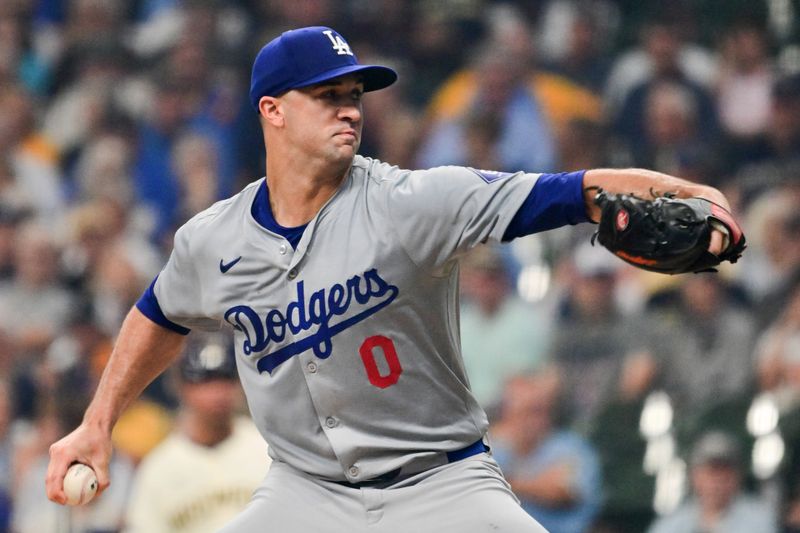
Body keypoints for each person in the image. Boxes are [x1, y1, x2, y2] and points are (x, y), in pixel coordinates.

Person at [46, 26, 737, 532]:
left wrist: (693, 193)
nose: (350, 107)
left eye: (355, 94)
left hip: (442, 483)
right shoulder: (212, 240)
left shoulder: (413, 202)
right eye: (327, 95)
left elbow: (574, 189)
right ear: (272, 110)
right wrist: (97, 422)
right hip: (305, 493)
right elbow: (158, 315)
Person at [125, 337, 271, 533]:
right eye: (205, 381)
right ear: (181, 387)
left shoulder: (267, 449)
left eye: (225, 379)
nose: (217, 393)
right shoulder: (159, 467)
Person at [491, 372, 602, 533]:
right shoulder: (493, 448)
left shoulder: (570, 448)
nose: (531, 421)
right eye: (522, 411)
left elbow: (560, 492)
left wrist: (502, 482)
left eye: (538, 411)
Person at [647, 430, 777, 533]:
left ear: (737, 478)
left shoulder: (759, 520)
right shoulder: (672, 523)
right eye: (710, 475)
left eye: (724, 476)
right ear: (695, 477)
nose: (717, 484)